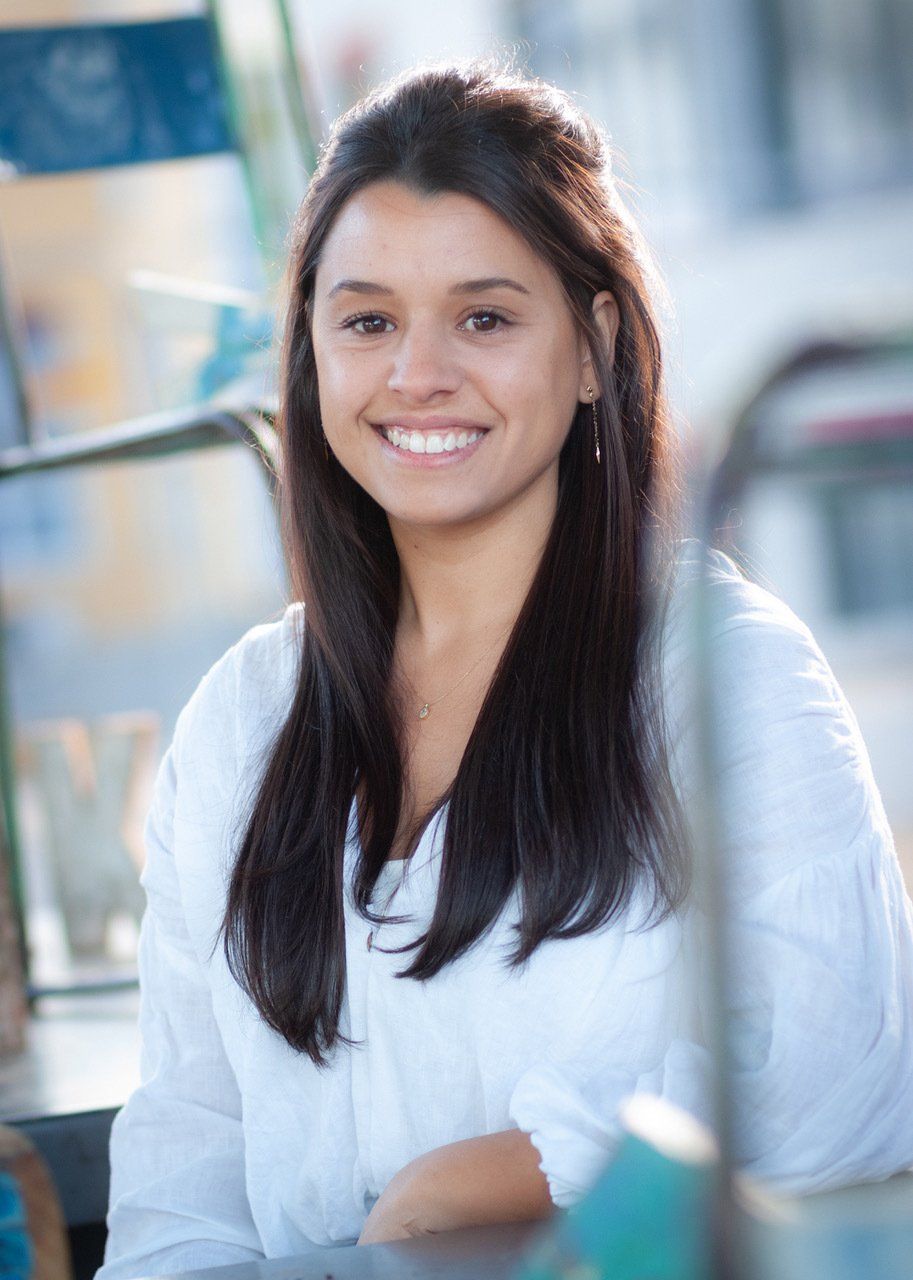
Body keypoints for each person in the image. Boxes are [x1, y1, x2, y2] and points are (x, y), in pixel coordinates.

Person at [97, 60, 913, 1278]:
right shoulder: (242, 717)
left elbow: (831, 1079)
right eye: (367, 321)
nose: (417, 373)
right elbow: (186, 1155)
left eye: (483, 317)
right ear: (311, 351)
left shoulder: (719, 670)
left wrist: (461, 1188)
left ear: (592, 347)